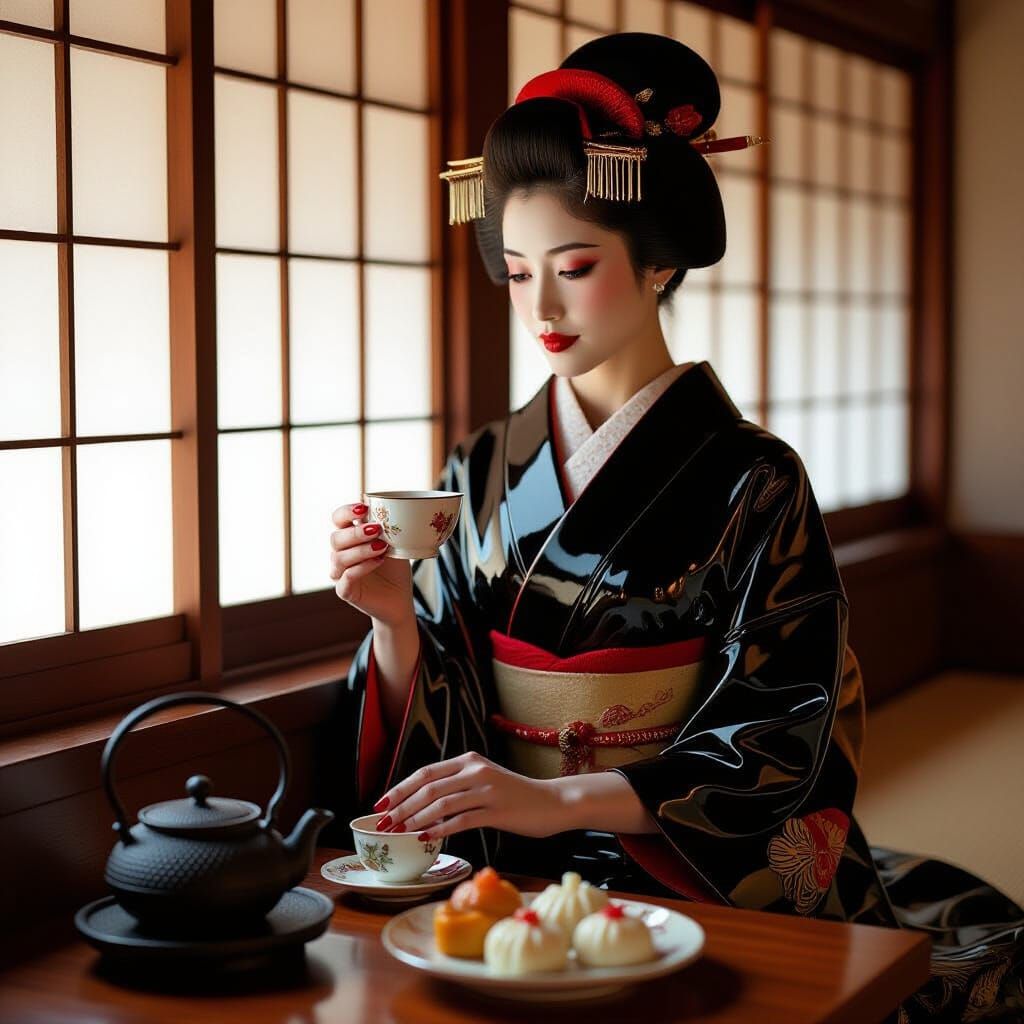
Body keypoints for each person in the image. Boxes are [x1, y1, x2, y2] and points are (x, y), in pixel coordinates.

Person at [327, 33, 1022, 1022]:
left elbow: (778, 724)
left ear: (658, 265)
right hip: (503, 856)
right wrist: (392, 622)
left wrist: (556, 800)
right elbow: (446, 695)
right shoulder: (479, 467)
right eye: (518, 272)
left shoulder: (754, 477)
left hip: (681, 856)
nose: (543, 305)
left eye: (574, 264)